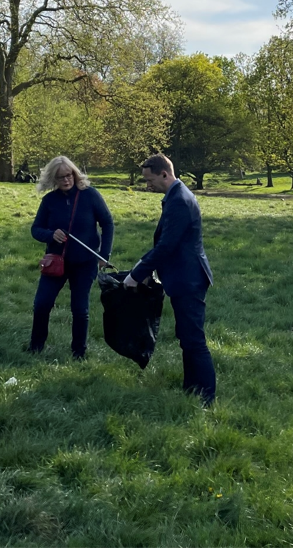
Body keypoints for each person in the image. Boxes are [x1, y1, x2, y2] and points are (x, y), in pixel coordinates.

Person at [123, 153, 216, 405]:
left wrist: (136, 275)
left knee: (194, 340)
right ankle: (191, 390)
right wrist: (141, 266)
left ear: (165, 174)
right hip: (183, 277)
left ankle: (207, 399)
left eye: (149, 179)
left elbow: (166, 247)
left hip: (189, 279)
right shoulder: (176, 195)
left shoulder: (179, 201)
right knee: (186, 337)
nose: (147, 184)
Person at [29, 156, 114, 359]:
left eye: (69, 175)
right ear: (53, 179)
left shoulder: (90, 195)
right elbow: (35, 229)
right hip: (56, 263)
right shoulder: (49, 201)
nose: (66, 180)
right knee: (41, 304)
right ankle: (35, 347)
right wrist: (51, 235)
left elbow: (108, 224)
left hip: (85, 263)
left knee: (80, 308)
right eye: (60, 177)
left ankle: (78, 353)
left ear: (75, 174)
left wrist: (104, 254)